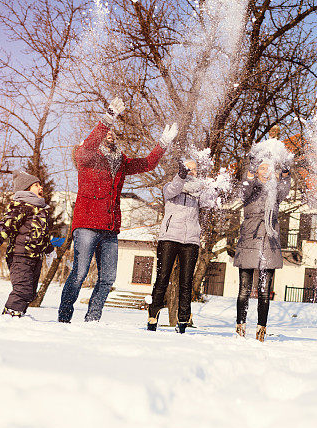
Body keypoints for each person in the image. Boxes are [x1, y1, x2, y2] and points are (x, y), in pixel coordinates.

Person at [58, 97, 178, 322]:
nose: (111, 133)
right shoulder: (86, 157)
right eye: (107, 131)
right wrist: (109, 116)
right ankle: (64, 316)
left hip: (110, 228)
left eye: (113, 132)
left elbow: (147, 164)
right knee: (80, 273)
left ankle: (92, 319)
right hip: (86, 225)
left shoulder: (120, 162)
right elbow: (90, 143)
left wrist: (163, 143)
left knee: (107, 278)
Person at [146, 156, 219, 333]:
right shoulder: (171, 186)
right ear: (181, 170)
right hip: (169, 238)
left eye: (194, 169)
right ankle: (153, 314)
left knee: (186, 282)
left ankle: (184, 318)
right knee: (162, 278)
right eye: (188, 168)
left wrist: (212, 187)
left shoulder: (198, 191)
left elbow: (210, 203)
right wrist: (181, 175)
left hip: (191, 240)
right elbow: (174, 189)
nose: (191, 172)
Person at [0, 170, 57, 317]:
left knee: (30, 293)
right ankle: (10, 318)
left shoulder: (41, 210)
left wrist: (49, 250)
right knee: (22, 290)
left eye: (40, 184)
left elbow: (41, 236)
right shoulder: (22, 206)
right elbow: (7, 223)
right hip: (20, 256)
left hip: (35, 258)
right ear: (26, 189)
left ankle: (18, 317)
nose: (40, 187)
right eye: (36, 185)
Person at [233, 159, 291, 341]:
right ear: (256, 171)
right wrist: (249, 174)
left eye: (269, 168)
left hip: (269, 241)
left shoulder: (275, 190)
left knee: (265, 291)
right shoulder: (251, 187)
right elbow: (244, 191)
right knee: (244, 290)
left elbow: (284, 189)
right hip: (249, 239)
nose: (266, 171)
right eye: (262, 168)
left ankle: (261, 330)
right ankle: (240, 327)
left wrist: (286, 174)